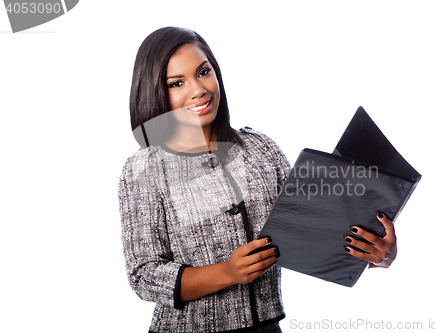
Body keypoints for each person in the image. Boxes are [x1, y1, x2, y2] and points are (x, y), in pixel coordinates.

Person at [118, 27, 397, 333]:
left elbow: (307, 234)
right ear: (156, 92)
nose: (197, 90)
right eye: (177, 83)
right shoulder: (144, 168)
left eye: (203, 72)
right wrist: (226, 272)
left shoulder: (260, 148)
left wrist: (375, 255)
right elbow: (144, 276)